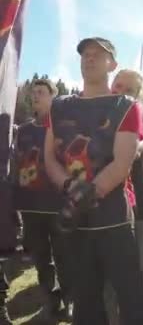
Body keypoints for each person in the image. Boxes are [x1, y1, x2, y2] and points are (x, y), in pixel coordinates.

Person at [43, 37, 143, 324]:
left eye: (97, 55)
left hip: (113, 218)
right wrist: (69, 187)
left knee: (131, 299)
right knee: (86, 302)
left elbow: (123, 162)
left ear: (112, 64)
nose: (89, 59)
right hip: (75, 220)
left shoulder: (125, 106)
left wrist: (87, 192)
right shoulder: (60, 106)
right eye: (85, 54)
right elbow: (50, 157)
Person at [13, 79, 73, 320]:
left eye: (41, 92)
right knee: (41, 259)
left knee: (64, 257)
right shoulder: (23, 131)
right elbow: (17, 163)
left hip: (57, 205)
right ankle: (51, 298)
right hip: (30, 207)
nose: (36, 96)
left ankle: (70, 300)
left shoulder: (63, 128)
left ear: (53, 96)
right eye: (33, 93)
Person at [109, 69, 143, 323]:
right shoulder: (100, 115)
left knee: (140, 271)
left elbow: (139, 144)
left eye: (128, 89)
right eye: (117, 85)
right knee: (108, 278)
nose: (120, 91)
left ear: (138, 94)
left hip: (138, 207)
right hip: (106, 209)